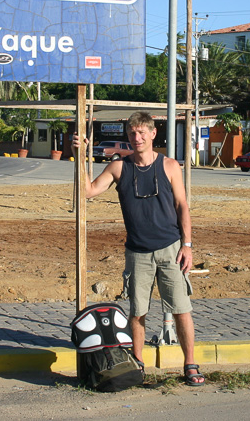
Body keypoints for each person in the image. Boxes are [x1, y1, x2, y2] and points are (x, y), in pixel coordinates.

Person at [72, 111, 204, 386]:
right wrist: (81, 155)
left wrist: (188, 245)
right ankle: (138, 363)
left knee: (181, 308)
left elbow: (182, 206)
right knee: (137, 311)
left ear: (153, 134)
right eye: (133, 133)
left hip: (171, 249)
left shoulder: (169, 166)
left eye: (143, 132)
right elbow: (87, 191)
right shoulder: (119, 167)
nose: (137, 137)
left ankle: (190, 363)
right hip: (137, 252)